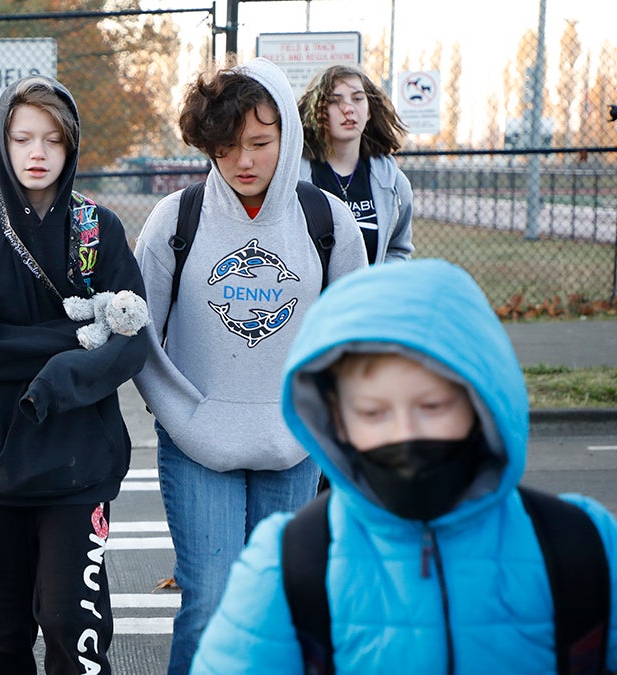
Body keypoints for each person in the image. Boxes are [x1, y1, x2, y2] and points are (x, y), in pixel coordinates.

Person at [190, 258, 617, 673]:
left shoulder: (583, 547)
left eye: (432, 406)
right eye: (373, 413)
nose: (404, 433)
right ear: (336, 422)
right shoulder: (288, 566)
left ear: (481, 405)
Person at [131, 58, 367, 675]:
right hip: (196, 441)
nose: (244, 160)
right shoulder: (172, 221)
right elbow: (139, 334)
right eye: (227, 145)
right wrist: (183, 413)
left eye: (260, 142)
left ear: (288, 134)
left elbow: (352, 335)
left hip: (293, 445)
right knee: (209, 601)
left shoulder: (328, 222)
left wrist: (317, 416)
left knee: (278, 605)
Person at [0, 75, 150, 674]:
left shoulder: (98, 230)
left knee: (73, 626)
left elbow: (132, 340)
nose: (36, 153)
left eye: (52, 140)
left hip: (78, 467)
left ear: (71, 147)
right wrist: (68, 342)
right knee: (1, 637)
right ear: (2, 140)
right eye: (22, 138)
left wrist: (63, 381)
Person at [298, 64, 413, 264]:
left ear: (369, 111)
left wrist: (376, 289)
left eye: (358, 98)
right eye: (335, 101)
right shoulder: (294, 178)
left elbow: (397, 249)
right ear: (317, 110)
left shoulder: (393, 184)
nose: (348, 108)